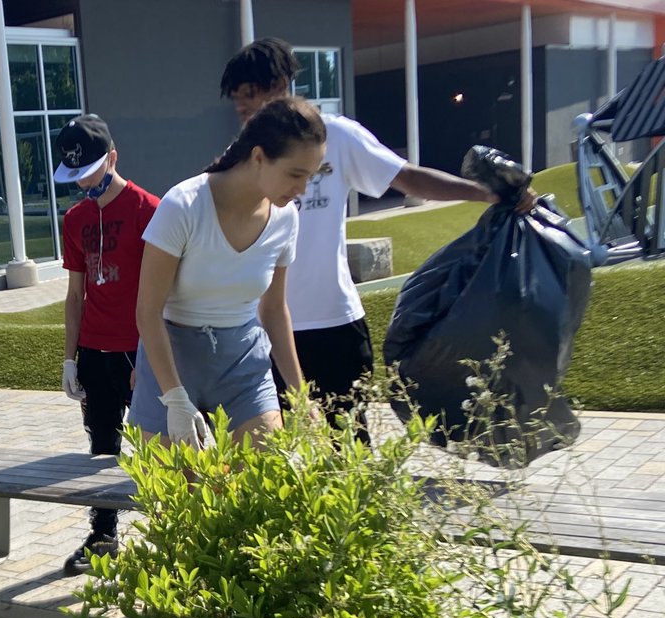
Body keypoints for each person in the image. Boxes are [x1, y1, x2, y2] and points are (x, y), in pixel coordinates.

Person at [220, 37, 537, 441]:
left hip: (335, 324)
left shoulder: (334, 136)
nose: (243, 109)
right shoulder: (241, 156)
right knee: (276, 452)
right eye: (236, 102)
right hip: (263, 329)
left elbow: (405, 176)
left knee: (347, 443)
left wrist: (484, 193)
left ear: (280, 84)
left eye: (250, 95)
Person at [129, 97, 324, 449]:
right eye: (296, 174)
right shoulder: (183, 206)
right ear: (259, 156)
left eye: (310, 177)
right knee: (175, 498)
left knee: (261, 486)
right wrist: (173, 397)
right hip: (172, 361)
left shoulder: (285, 218)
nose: (302, 190)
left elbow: (274, 311)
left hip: (241, 363)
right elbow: (147, 311)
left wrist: (300, 395)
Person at [53, 114, 159, 574]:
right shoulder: (74, 219)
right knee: (102, 446)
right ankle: (103, 535)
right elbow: (75, 294)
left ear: (113, 158)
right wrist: (69, 359)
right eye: (74, 176)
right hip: (95, 352)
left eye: (90, 173)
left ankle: (172, 530)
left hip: (140, 349)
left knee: (160, 445)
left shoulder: (147, 210)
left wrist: (150, 354)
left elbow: (165, 294)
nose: (82, 185)